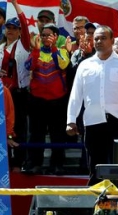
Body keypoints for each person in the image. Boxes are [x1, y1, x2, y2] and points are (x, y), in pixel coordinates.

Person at [67, 26, 118, 184]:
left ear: (113, 40)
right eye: (96, 39)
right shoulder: (84, 65)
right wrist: (71, 120)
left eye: (103, 38)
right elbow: (76, 94)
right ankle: (96, 206)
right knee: (95, 168)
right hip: (93, 122)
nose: (99, 41)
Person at [23, 25, 71, 175]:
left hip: (57, 101)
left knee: (58, 135)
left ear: (56, 37)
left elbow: (63, 64)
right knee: (36, 134)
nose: (45, 38)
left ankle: (57, 165)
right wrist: (36, 50)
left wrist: (55, 49)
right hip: (37, 101)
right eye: (43, 35)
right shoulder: (35, 52)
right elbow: (29, 66)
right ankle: (34, 164)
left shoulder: (62, 51)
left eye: (49, 35)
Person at [0, 0, 30, 170]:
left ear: (20, 31)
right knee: (1, 127)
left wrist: (15, 4)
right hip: (1, 92)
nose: (10, 30)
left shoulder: (23, 45)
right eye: (8, 27)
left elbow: (24, 21)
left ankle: (19, 162)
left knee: (19, 128)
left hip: (19, 92)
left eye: (14, 28)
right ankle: (4, 162)